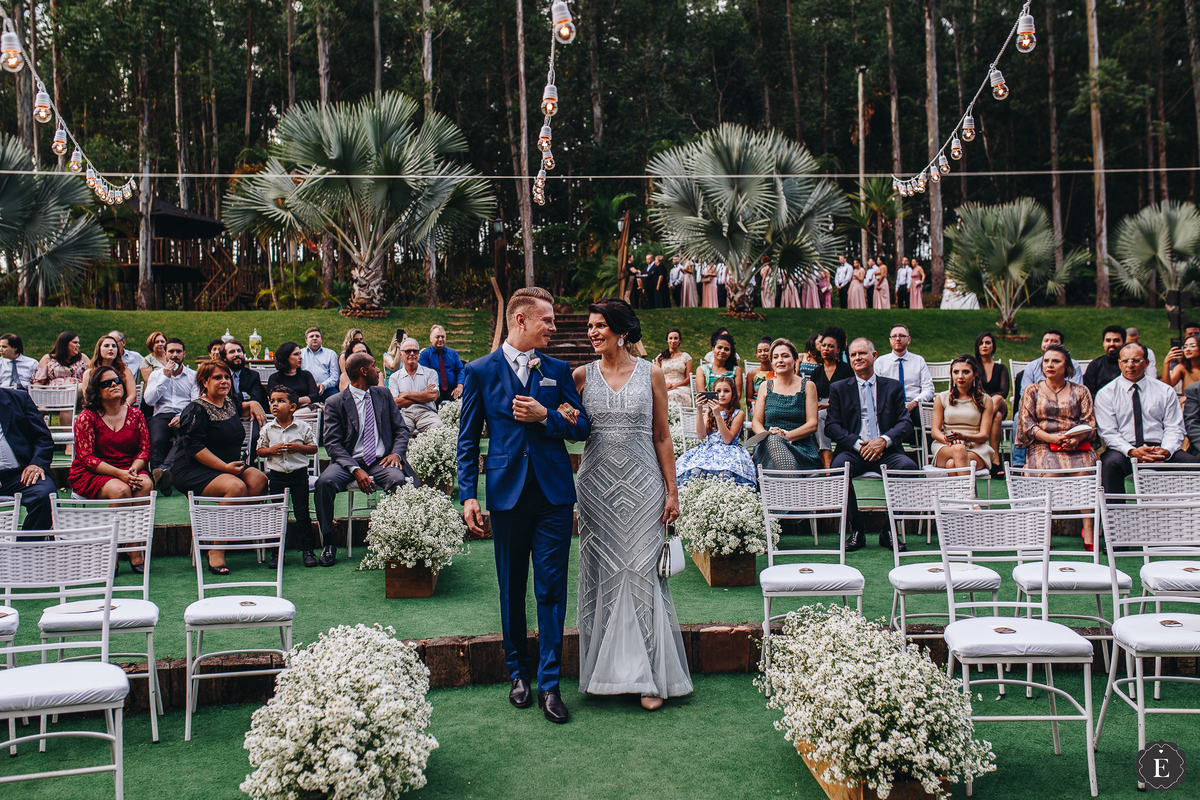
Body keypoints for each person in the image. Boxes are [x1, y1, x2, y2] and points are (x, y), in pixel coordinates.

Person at [457, 286, 591, 723]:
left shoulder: (556, 369)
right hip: (506, 495)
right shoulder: (479, 371)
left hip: (553, 495)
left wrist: (545, 416)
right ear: (521, 321)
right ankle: (518, 674)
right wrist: (469, 493)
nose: (553, 327)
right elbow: (467, 439)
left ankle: (551, 685)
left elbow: (581, 427)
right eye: (547, 320)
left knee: (551, 591)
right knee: (512, 588)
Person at [571, 297, 690, 710]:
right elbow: (568, 427)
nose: (592, 332)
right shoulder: (581, 376)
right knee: (602, 573)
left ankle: (650, 679)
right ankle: (604, 674)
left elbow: (662, 436)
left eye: (599, 325)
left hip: (644, 486)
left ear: (621, 330)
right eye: (589, 326)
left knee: (643, 574)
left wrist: (672, 491)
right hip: (596, 488)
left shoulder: (652, 373)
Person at [318, 352, 417, 567]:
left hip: (381, 460)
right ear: (363, 371)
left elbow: (401, 429)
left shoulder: (383, 394)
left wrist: (396, 454)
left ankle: (401, 538)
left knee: (399, 481)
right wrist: (355, 469)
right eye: (374, 366)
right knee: (324, 483)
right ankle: (328, 542)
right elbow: (333, 444)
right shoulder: (335, 402)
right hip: (348, 461)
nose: (379, 370)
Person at [172, 359, 269, 574]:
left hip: (226, 466)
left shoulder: (230, 403)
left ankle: (227, 530)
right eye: (218, 377)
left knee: (259, 480)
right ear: (204, 382)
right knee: (236, 488)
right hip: (193, 468)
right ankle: (216, 549)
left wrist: (252, 403)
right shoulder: (196, 408)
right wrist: (225, 468)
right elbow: (195, 448)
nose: (224, 381)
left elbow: (240, 407)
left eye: (226, 377)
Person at [825, 338, 917, 551]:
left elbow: (905, 423)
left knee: (910, 468)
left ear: (874, 356)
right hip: (853, 450)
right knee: (839, 470)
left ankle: (888, 531)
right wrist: (859, 445)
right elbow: (832, 426)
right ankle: (856, 530)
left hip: (886, 450)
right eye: (853, 354)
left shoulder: (892, 387)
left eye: (862, 353)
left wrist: (883, 441)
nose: (857, 358)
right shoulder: (839, 388)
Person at [1014, 344, 1099, 548]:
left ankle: (1088, 528)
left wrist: (1076, 439)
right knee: (1051, 473)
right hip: (1043, 443)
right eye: (1046, 361)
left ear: (1067, 366)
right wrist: (1051, 438)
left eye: (1056, 361)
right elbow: (1027, 423)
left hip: (1075, 444)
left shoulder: (1081, 390)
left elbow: (1089, 422)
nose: (1050, 365)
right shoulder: (1031, 390)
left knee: (1084, 474)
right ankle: (1043, 529)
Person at [69, 366, 153, 567]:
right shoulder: (87, 417)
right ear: (96, 391)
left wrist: (133, 468)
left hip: (129, 466)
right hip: (94, 471)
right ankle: (111, 553)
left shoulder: (136, 415)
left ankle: (134, 549)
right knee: (121, 490)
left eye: (116, 381)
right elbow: (86, 457)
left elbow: (145, 450)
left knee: (144, 485)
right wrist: (119, 474)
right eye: (106, 383)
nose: (114, 385)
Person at [1095, 342, 1200, 498]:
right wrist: (1132, 451)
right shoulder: (1106, 394)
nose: (1130, 365)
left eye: (1136, 360)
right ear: (1119, 363)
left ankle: (1191, 517)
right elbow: (1109, 433)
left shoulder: (1165, 391)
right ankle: (1115, 518)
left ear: (1146, 363)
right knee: (1110, 466)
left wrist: (1166, 450)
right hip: (1124, 450)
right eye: (1125, 361)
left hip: (1160, 449)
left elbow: (1175, 427)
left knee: (1194, 466)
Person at [257, 386, 319, 568]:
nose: (274, 404)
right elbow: (260, 451)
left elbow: (314, 448)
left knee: (302, 513)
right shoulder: (268, 429)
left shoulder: (303, 427)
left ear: (292, 407)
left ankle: (308, 550)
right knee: (277, 514)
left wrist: (299, 448)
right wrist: (271, 450)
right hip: (276, 476)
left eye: (280, 401)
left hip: (299, 476)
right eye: (272, 401)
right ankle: (277, 553)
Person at [751, 338, 821, 472]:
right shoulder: (765, 386)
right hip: (768, 445)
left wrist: (786, 436)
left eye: (785, 356)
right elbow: (756, 422)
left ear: (795, 360)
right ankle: (792, 487)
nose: (780, 360)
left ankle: (784, 489)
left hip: (800, 447)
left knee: (775, 446)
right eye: (775, 357)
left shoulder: (808, 386)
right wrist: (768, 435)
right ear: (771, 362)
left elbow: (813, 424)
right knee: (773, 442)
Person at [677, 374, 754, 486]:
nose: (722, 394)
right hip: (709, 450)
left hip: (730, 452)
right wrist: (699, 411)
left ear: (732, 394)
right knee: (696, 469)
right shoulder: (709, 412)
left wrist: (717, 414)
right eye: (718, 391)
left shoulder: (738, 413)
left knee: (726, 472)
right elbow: (702, 435)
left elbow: (727, 439)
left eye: (726, 391)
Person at [143, 337, 198, 489]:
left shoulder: (193, 375)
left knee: (186, 437)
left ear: (184, 354)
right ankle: (161, 477)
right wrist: (165, 378)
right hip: (161, 415)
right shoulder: (156, 375)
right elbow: (149, 400)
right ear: (165, 354)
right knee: (157, 440)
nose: (174, 355)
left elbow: (195, 402)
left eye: (178, 351)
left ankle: (163, 471)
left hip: (184, 415)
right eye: (171, 351)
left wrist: (182, 416)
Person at [0, 387, 56, 531]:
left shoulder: (19, 398)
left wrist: (37, 464)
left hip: (20, 474)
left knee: (46, 496)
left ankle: (26, 547)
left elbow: (43, 438)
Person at [930, 355, 995, 473]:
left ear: (975, 374)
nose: (960, 376)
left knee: (952, 464)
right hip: (945, 446)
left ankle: (961, 492)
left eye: (966, 372)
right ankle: (969, 491)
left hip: (976, 448)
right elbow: (935, 431)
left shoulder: (986, 400)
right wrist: (950, 440)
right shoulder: (941, 398)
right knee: (958, 449)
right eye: (956, 372)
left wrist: (963, 437)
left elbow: (984, 435)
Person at [874, 323, 934, 445]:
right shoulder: (880, 362)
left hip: (916, 406)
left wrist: (914, 403)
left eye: (902, 335)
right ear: (890, 340)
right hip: (890, 407)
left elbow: (929, 388)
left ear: (909, 339)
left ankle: (930, 456)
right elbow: (875, 389)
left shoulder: (918, 360)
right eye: (894, 336)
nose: (898, 339)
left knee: (928, 416)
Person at [810, 332, 855, 469]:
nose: (826, 349)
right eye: (823, 345)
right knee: (811, 417)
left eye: (830, 346)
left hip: (843, 407)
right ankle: (816, 458)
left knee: (820, 416)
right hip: (820, 406)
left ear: (838, 350)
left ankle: (827, 461)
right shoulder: (816, 372)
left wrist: (829, 405)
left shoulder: (846, 370)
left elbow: (852, 395)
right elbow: (811, 395)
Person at [388, 338, 443, 433]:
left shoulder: (430, 373)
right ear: (401, 354)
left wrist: (405, 394)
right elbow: (396, 403)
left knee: (438, 427)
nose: (412, 354)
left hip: (427, 412)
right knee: (398, 431)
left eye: (415, 351)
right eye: (408, 351)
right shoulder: (394, 377)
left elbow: (433, 396)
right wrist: (423, 395)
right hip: (405, 413)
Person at [975, 332, 1011, 477]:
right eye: (981, 343)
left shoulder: (1001, 368)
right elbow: (974, 392)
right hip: (980, 405)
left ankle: (981, 423)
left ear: (993, 347)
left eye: (988, 343)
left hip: (995, 405)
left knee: (997, 399)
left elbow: (1003, 392)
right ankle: (995, 461)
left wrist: (989, 399)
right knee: (996, 418)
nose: (984, 345)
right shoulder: (973, 367)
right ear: (977, 347)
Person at [82, 335, 136, 405]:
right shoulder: (89, 373)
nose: (111, 349)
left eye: (114, 346)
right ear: (99, 349)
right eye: (106, 346)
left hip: (122, 408)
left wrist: (122, 408)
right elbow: (87, 397)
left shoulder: (125, 371)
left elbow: (132, 396)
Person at [419, 325, 466, 403]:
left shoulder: (452, 353)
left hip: (452, 388)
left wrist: (460, 386)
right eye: (437, 337)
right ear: (431, 339)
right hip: (435, 389)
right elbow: (424, 375)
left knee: (463, 397)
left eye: (442, 337)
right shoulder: (425, 355)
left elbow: (460, 369)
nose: (440, 339)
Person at [268, 342, 320, 407]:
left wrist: (293, 401)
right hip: (284, 412)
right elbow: (277, 400)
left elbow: (315, 396)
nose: (300, 357)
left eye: (300, 354)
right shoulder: (275, 378)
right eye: (296, 354)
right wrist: (303, 402)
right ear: (285, 357)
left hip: (306, 410)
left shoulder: (306, 375)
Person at [223, 339, 269, 408]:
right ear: (224, 357)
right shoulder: (221, 376)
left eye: (239, 351)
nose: (237, 354)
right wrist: (243, 396)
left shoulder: (253, 376)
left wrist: (234, 397)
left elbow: (257, 401)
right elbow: (221, 401)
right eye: (232, 352)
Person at [1083, 325, 1126, 397]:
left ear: (1124, 342)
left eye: (1116, 340)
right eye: (1108, 340)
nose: (1111, 344)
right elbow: (1089, 393)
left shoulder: (1129, 365)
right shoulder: (1095, 365)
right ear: (1103, 343)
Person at [301, 327, 341, 403]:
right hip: (306, 389)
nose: (314, 338)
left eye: (317, 336)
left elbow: (335, 376)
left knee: (338, 400)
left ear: (321, 339)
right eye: (311, 336)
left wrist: (323, 385)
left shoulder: (331, 354)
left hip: (327, 389)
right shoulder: (300, 354)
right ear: (306, 340)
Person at [655, 329, 693, 407]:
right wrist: (664, 385)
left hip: (681, 387)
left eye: (676, 338)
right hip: (664, 386)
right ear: (667, 340)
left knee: (672, 394)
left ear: (680, 340)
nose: (673, 341)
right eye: (670, 338)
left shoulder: (686, 357)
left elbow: (689, 378)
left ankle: (676, 417)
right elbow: (656, 376)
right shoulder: (660, 357)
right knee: (667, 393)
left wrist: (675, 386)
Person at [746, 336, 774, 403]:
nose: (763, 353)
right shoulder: (752, 374)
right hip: (757, 407)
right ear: (756, 354)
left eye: (766, 350)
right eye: (760, 351)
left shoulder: (778, 372)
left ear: (772, 352)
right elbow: (748, 399)